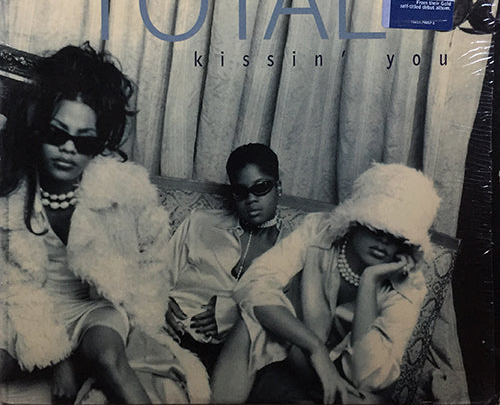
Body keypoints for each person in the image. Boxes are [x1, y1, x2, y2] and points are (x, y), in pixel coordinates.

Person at [0, 43, 183, 404]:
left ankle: (83, 359)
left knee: (108, 356)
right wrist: (56, 358)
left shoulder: (124, 189)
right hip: (28, 306)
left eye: (84, 142)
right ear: (39, 129)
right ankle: (68, 360)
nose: (68, 149)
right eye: (57, 134)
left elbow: (153, 253)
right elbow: (11, 283)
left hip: (90, 307)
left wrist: (150, 305)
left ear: (99, 143)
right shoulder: (11, 190)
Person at [211, 163, 440, 404]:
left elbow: (367, 378)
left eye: (396, 236)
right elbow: (254, 285)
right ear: (355, 220)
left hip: (354, 388)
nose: (384, 241)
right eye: (377, 228)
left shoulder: (409, 285)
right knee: (250, 322)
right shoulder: (319, 231)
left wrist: (369, 282)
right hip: (302, 359)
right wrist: (315, 348)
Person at [162, 143, 298, 375]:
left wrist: (231, 313)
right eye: (241, 191)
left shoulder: (294, 248)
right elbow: (157, 272)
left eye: (261, 188)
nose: (251, 199)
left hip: (236, 356)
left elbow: (288, 316)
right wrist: (158, 301)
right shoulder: (200, 222)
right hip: (173, 337)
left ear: (278, 187)